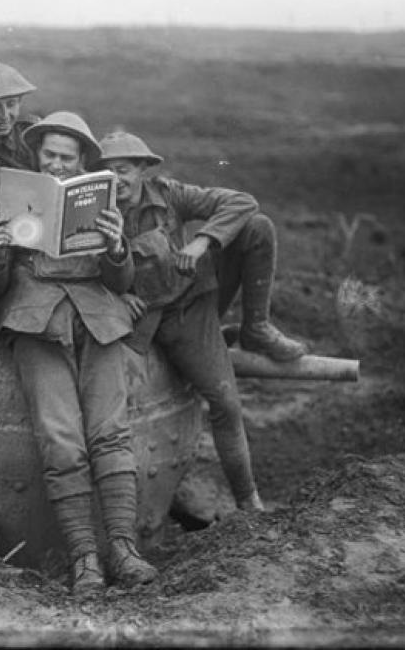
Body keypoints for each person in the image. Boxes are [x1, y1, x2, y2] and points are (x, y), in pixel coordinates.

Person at [0, 111, 158, 595]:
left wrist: (117, 248)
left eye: (66, 157)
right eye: (48, 155)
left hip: (98, 320)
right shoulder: (13, 200)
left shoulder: (101, 203)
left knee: (110, 432)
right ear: (37, 156)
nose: (55, 164)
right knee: (61, 439)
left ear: (83, 163)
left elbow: (121, 283)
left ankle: (122, 547)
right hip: (36, 320)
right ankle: (85, 559)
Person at [93, 131, 309, 511]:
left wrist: (202, 241)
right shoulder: (94, 208)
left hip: (187, 311)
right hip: (136, 321)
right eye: (107, 172)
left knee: (225, 401)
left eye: (124, 170)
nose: (117, 181)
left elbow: (243, 202)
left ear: (144, 170)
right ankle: (145, 505)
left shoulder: (169, 194)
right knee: (115, 412)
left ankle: (249, 503)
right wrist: (118, 295)